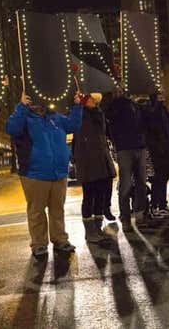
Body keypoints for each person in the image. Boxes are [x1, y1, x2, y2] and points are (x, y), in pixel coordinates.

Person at [6, 91, 82, 259]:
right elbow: (11, 128)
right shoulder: (25, 117)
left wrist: (77, 106)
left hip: (58, 172)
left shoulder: (55, 117)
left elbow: (73, 125)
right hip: (35, 173)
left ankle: (60, 239)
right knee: (37, 211)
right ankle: (39, 244)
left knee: (57, 209)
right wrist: (21, 107)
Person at [103, 88, 157, 232]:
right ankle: (125, 217)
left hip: (139, 146)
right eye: (118, 90)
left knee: (141, 182)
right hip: (124, 148)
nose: (121, 92)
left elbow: (149, 118)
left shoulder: (134, 105)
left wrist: (153, 99)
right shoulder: (114, 106)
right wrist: (117, 100)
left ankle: (139, 214)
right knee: (125, 185)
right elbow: (110, 119)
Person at [73, 93, 116, 243]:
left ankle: (98, 228)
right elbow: (78, 141)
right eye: (90, 100)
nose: (93, 102)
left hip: (101, 160)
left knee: (100, 196)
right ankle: (90, 232)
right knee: (89, 197)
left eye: (94, 100)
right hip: (88, 162)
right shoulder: (80, 115)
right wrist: (77, 105)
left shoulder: (99, 114)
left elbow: (104, 136)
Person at [140, 87, 169, 218]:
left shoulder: (162, 108)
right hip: (155, 149)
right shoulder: (149, 108)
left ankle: (161, 205)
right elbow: (152, 121)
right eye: (159, 93)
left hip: (164, 148)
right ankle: (156, 205)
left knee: (163, 177)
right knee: (157, 178)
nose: (162, 95)